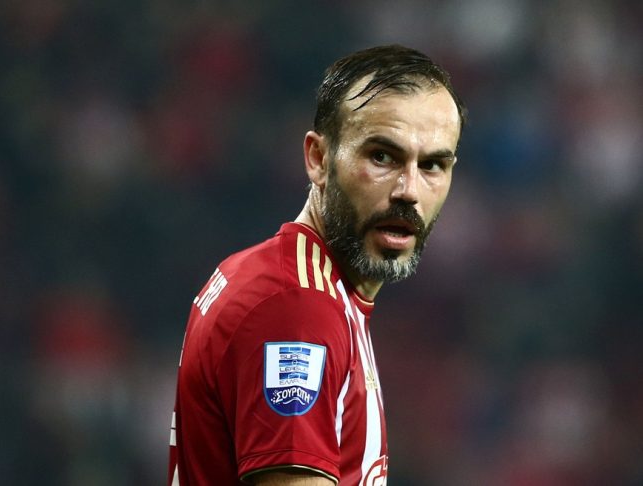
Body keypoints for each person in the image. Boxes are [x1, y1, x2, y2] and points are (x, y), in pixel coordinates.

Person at [168, 44, 466, 485]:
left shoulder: (293, 282)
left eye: (433, 165)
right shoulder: (297, 309)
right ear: (319, 159)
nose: (409, 190)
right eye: (382, 157)